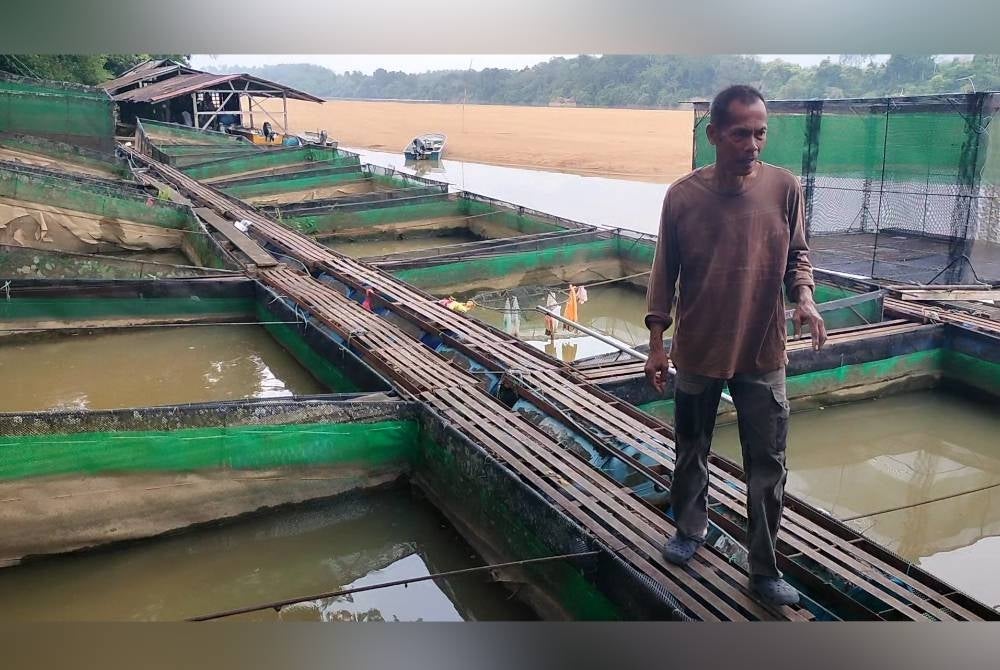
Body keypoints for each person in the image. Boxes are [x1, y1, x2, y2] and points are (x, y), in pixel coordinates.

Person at [643, 84, 827, 608]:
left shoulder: (784, 188)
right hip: (699, 347)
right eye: (741, 133)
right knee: (690, 449)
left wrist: (805, 300)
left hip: (763, 350)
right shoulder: (682, 196)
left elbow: (799, 256)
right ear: (714, 135)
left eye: (760, 133)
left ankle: (764, 568)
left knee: (768, 463)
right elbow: (664, 274)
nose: (753, 144)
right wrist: (657, 341)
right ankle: (689, 530)